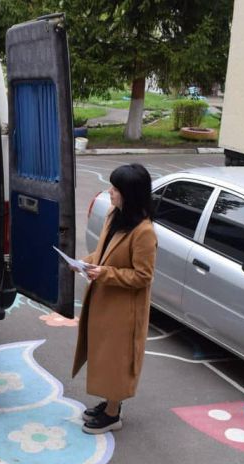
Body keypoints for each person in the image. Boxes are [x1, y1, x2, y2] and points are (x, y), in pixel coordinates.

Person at [71, 163, 157, 435]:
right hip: (104, 301)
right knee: (103, 356)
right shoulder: (114, 215)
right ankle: (109, 403)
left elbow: (143, 276)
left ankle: (113, 414)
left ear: (130, 194)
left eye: (116, 189)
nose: (110, 192)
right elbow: (103, 252)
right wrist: (83, 263)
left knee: (117, 361)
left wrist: (104, 273)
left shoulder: (144, 232)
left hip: (124, 310)